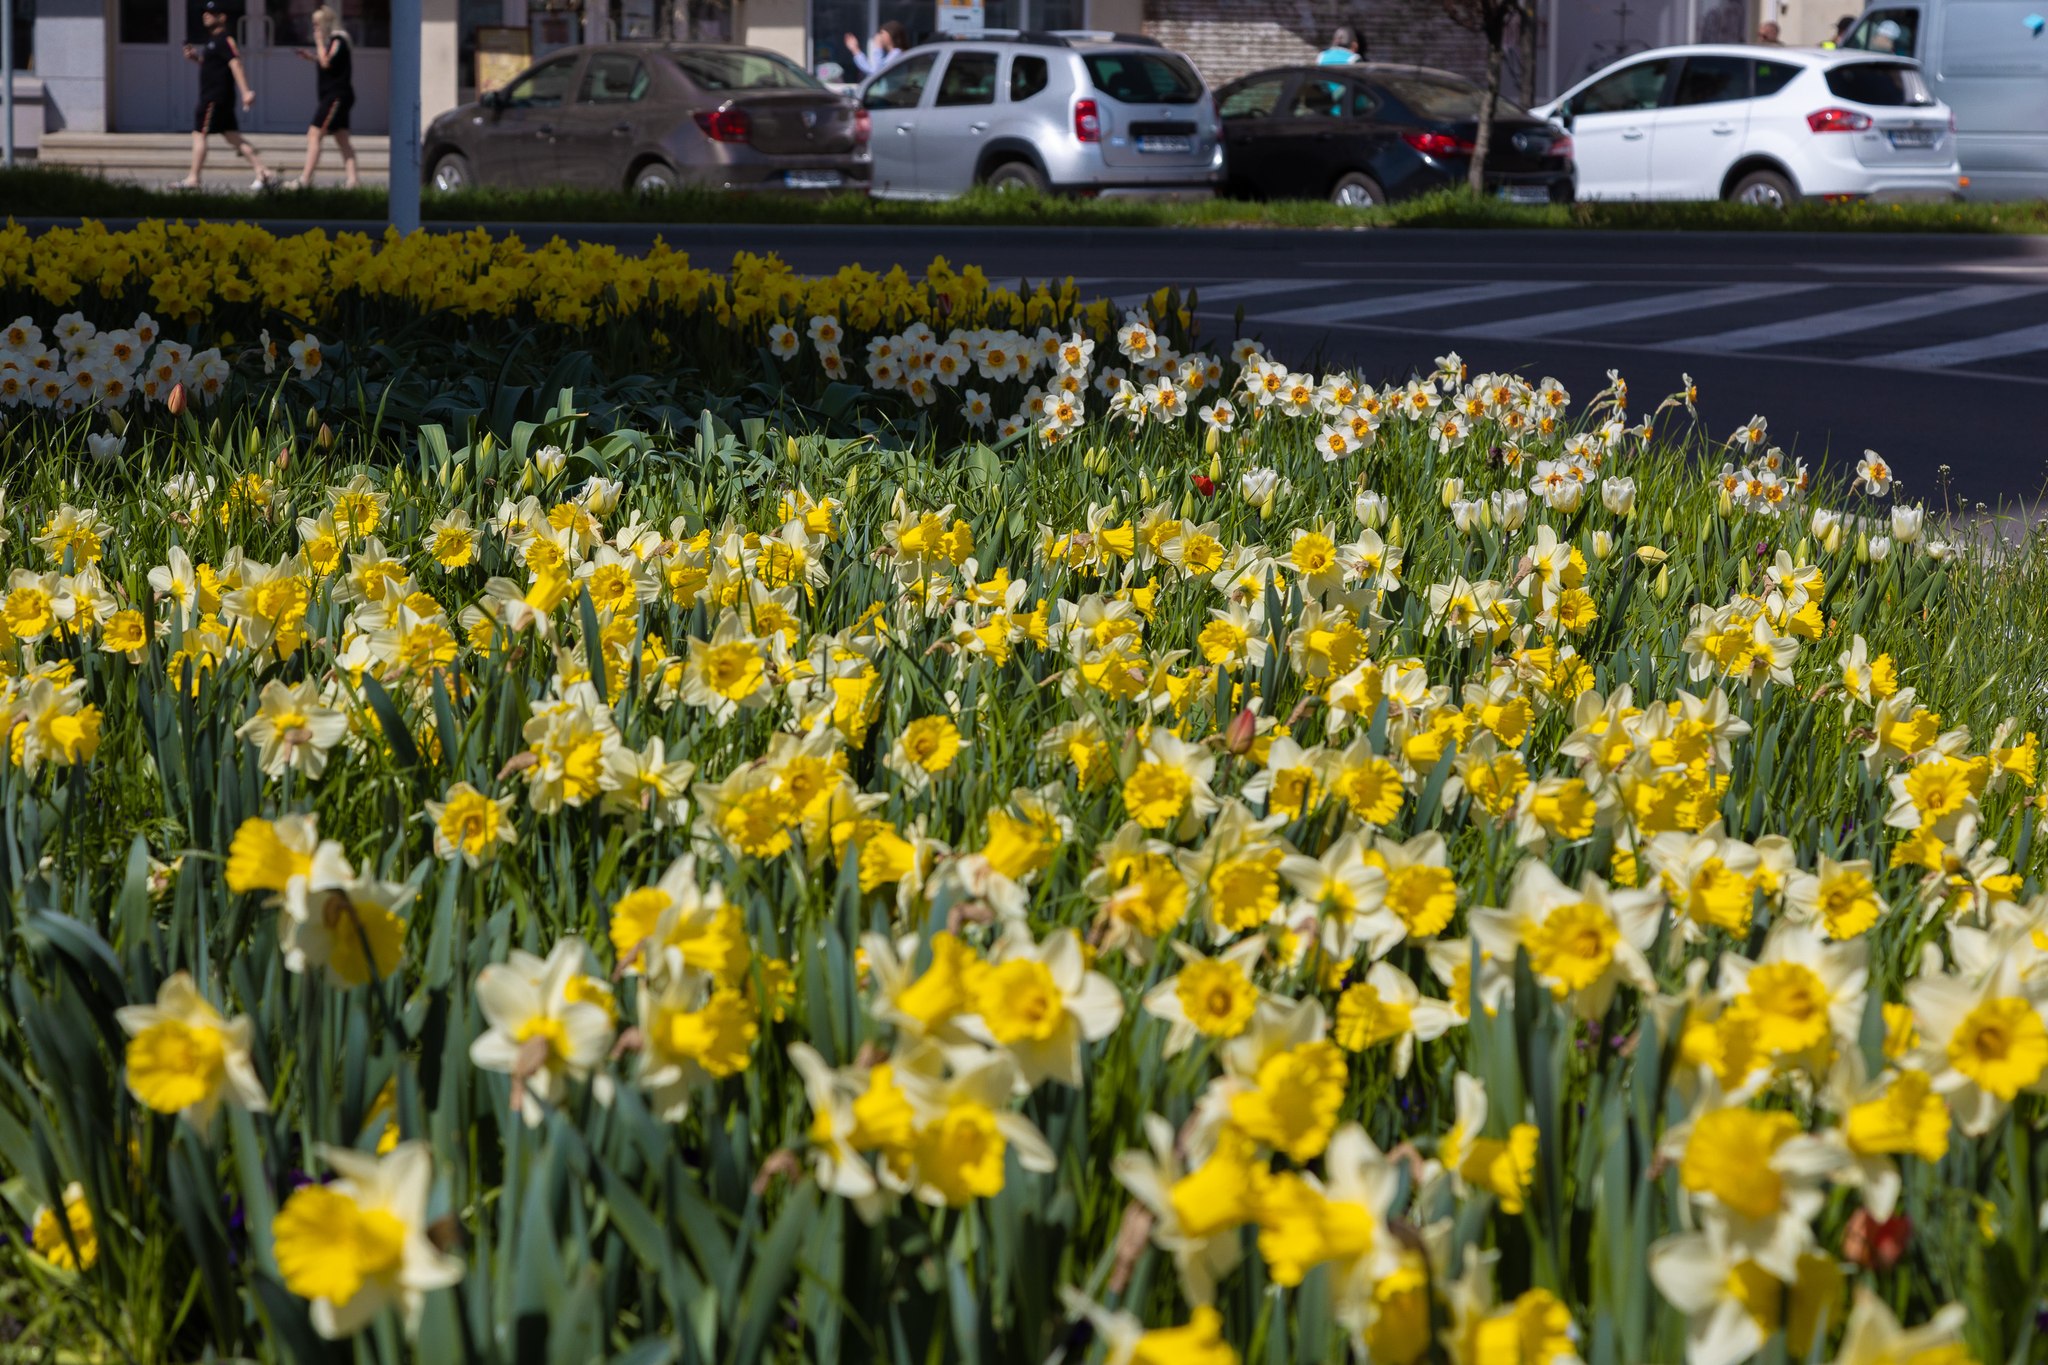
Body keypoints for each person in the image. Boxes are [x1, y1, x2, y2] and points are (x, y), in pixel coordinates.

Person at [176, 0, 274, 189]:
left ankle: (193, 179)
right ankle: (263, 172)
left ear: (222, 17)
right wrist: (196, 58)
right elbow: (213, 65)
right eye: (205, 12)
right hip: (218, 98)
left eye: (211, 13)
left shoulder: (225, 39)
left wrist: (246, 92)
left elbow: (235, 63)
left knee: (199, 134)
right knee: (232, 137)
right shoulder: (213, 41)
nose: (206, 15)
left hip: (214, 98)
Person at [290, 6, 358, 188]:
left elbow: (327, 62)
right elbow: (327, 60)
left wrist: (319, 42)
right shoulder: (333, 43)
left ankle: (305, 180)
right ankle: (353, 181)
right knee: (342, 138)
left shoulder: (338, 40)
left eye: (316, 25)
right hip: (336, 95)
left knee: (314, 134)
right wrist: (311, 57)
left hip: (336, 96)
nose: (314, 29)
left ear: (325, 23)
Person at [843, 20, 908, 78]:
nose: (879, 36)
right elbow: (871, 70)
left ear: (890, 34)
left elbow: (877, 73)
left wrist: (878, 48)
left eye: (881, 33)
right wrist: (855, 49)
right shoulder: (892, 54)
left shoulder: (897, 53)